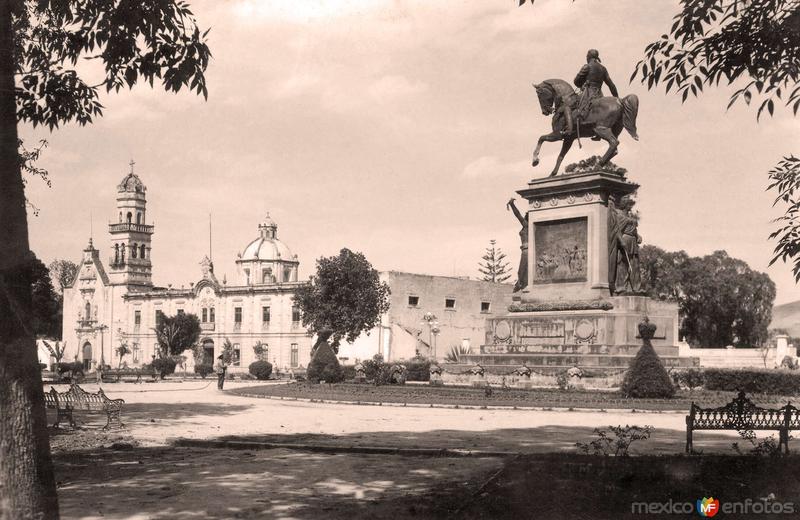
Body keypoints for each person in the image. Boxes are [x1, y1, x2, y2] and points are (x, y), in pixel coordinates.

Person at [573, 49, 618, 138]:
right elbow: (611, 85)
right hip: (599, 95)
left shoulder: (587, 66)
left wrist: (583, 84)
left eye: (586, 56)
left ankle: (569, 128)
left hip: (587, 94)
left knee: (572, 106)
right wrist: (616, 97)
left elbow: (576, 82)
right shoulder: (603, 68)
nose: (586, 58)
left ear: (589, 57)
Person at [507, 198, 529, 292]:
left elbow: (517, 214)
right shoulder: (527, 226)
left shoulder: (527, 225)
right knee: (523, 270)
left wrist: (512, 204)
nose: (523, 217)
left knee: (522, 271)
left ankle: (520, 285)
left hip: (526, 250)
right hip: (525, 250)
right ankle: (521, 285)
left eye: (525, 216)